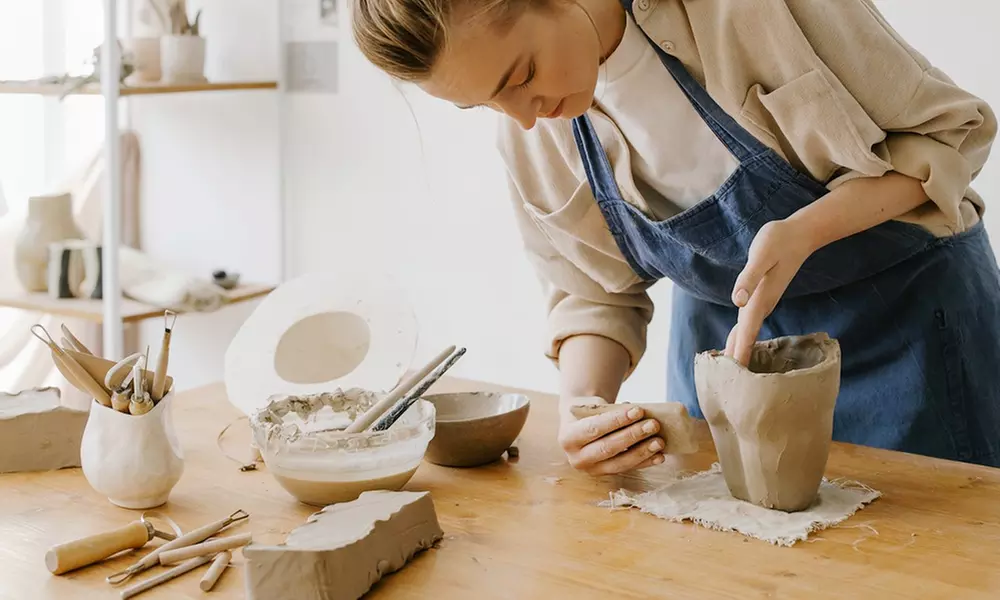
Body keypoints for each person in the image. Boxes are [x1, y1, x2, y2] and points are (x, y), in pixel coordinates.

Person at [352, 0, 1000, 473]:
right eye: (484, 104)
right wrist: (584, 407)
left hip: (911, 333)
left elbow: (949, 135)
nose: (523, 118)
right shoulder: (533, 136)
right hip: (725, 358)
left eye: (519, 76)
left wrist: (808, 229)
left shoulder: (744, 11)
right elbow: (595, 297)